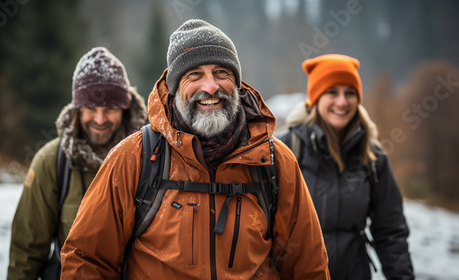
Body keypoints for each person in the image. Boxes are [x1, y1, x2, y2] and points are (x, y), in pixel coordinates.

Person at [61, 19, 330, 279]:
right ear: (175, 87)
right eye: (195, 75)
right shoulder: (134, 157)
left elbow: (308, 266)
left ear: (236, 83)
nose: (210, 86)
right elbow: (86, 260)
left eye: (221, 73)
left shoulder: (274, 161)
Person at [7, 46, 147, 280]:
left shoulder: (150, 157)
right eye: (91, 108)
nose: (100, 119)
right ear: (77, 109)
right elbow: (26, 253)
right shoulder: (51, 162)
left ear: (125, 110)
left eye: (110, 109)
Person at [277, 54, 414, 279]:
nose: (342, 102)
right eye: (332, 92)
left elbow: (391, 232)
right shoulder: (285, 149)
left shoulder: (372, 156)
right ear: (315, 98)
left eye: (350, 93)